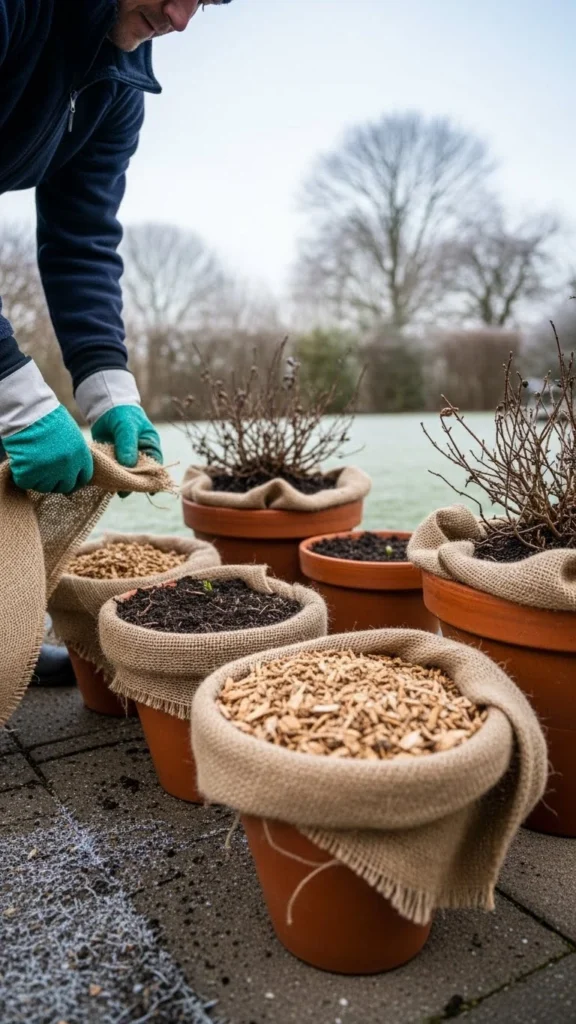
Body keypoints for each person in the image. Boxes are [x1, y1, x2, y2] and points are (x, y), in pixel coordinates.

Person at [0, 0, 232, 682]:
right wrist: (16, 392)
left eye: (206, 1)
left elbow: (80, 244)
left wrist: (109, 393)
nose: (181, 17)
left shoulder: (117, 83)